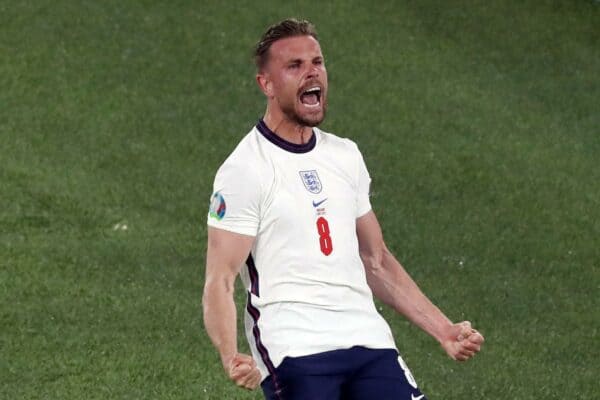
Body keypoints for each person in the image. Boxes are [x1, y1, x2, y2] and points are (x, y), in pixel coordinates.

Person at [202, 18, 484, 400]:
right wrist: (229, 353)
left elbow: (376, 259)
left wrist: (443, 330)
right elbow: (220, 278)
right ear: (266, 84)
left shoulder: (344, 155)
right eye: (295, 66)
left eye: (317, 62)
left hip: (367, 337)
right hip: (294, 347)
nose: (311, 72)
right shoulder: (244, 170)